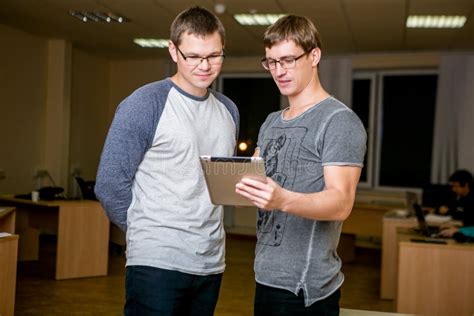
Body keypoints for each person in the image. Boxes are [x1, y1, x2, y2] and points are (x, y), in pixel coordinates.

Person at [95, 6, 239, 316]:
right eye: (194, 56)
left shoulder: (228, 110)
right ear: (173, 50)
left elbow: (217, 184)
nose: (205, 65)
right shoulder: (144, 104)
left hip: (210, 260)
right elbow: (109, 185)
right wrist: (149, 232)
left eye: (214, 56)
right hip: (156, 260)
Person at [235, 15, 366, 315]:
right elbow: (255, 192)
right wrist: (238, 187)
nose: (278, 71)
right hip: (265, 276)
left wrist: (282, 199)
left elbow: (341, 202)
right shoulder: (271, 122)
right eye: (271, 62)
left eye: (288, 60)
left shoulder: (339, 121)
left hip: (305, 289)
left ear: (314, 56)